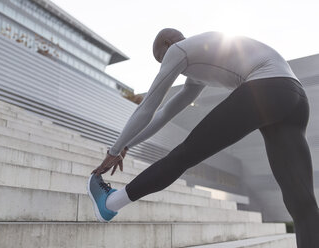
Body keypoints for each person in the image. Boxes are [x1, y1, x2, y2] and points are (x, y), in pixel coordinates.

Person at [87, 28, 319, 247]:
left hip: (266, 87)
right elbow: (165, 113)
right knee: (302, 203)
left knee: (183, 155)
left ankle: (110, 203)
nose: (165, 65)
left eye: (161, 59)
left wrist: (114, 150)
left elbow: (148, 107)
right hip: (294, 97)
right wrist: (128, 144)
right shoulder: (198, 72)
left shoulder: (178, 50)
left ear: (168, 44)